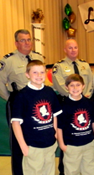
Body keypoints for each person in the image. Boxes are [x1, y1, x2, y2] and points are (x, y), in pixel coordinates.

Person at [0, 29, 44, 175]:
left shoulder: (38, 57)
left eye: (29, 39)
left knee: (37, 134)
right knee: (18, 140)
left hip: (37, 102)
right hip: (18, 102)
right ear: (16, 43)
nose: (27, 43)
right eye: (23, 40)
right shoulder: (8, 61)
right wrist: (10, 98)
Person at [11, 60, 62, 175]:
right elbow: (15, 123)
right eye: (35, 72)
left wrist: (55, 133)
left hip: (50, 144)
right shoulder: (22, 95)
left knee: (49, 172)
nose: (39, 76)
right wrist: (23, 146)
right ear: (27, 75)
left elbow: (55, 115)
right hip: (32, 146)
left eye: (42, 72)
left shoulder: (50, 92)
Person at [57, 74, 94, 175]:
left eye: (78, 85)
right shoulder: (63, 106)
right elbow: (59, 127)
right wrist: (62, 145)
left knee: (89, 170)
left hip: (88, 144)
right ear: (66, 87)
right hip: (72, 146)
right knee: (72, 171)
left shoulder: (89, 103)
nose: (75, 88)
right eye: (72, 85)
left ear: (83, 86)